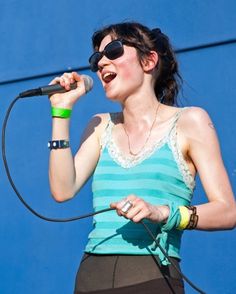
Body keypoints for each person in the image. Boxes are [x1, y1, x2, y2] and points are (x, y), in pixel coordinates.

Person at [48, 22, 236, 294]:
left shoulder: (190, 121)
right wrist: (61, 113)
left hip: (152, 277)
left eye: (112, 51)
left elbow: (228, 211)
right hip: (89, 279)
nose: (101, 62)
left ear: (149, 61)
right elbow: (63, 190)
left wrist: (163, 213)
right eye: (96, 58)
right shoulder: (99, 125)